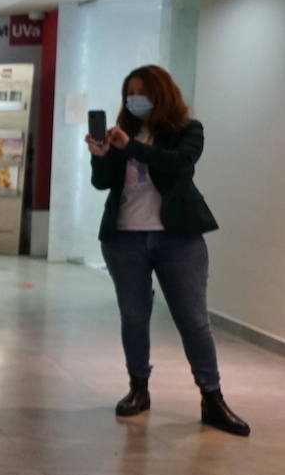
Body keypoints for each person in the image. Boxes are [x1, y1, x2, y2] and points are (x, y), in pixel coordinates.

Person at [87, 64, 249, 436]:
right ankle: (138, 389)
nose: (134, 99)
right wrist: (101, 155)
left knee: (193, 320)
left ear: (161, 94)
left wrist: (134, 150)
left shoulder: (188, 132)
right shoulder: (122, 134)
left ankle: (212, 398)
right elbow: (102, 184)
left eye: (142, 91)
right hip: (124, 238)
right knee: (133, 317)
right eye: (130, 92)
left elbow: (179, 165)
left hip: (178, 238)